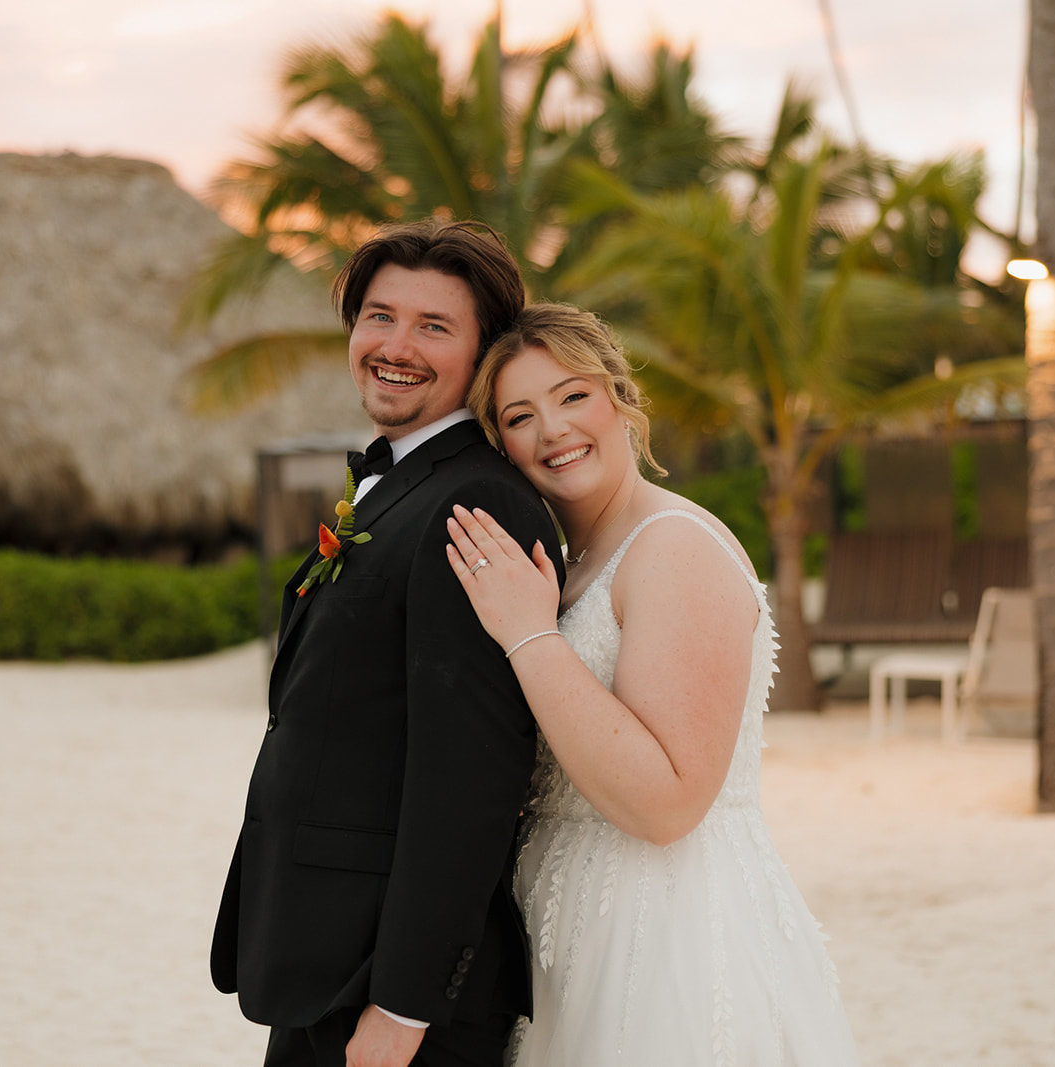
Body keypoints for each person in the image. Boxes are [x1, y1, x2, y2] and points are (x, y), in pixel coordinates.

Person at [445, 304, 861, 1066]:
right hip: (561, 923)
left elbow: (669, 800)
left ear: (620, 398)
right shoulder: (574, 562)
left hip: (665, 929)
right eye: (521, 415)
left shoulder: (673, 547)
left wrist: (528, 633)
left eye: (573, 396)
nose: (554, 431)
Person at [209, 220, 564, 1067]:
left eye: (434, 327)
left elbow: (470, 778)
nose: (396, 345)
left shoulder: (471, 505)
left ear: (484, 354)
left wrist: (403, 1007)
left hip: (389, 991)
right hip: (325, 956)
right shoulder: (399, 489)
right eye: (379, 315)